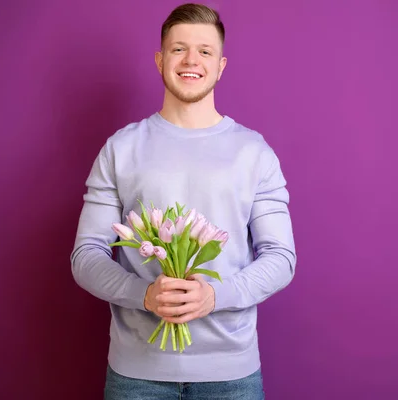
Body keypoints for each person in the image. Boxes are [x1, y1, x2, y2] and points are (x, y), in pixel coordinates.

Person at [70, 3, 296, 399]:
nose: (192, 60)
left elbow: (281, 257)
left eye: (205, 51)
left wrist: (215, 296)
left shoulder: (254, 152)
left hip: (232, 376)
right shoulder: (121, 149)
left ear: (221, 65)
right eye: (179, 49)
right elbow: (85, 255)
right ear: (160, 59)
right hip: (135, 376)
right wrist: (143, 294)